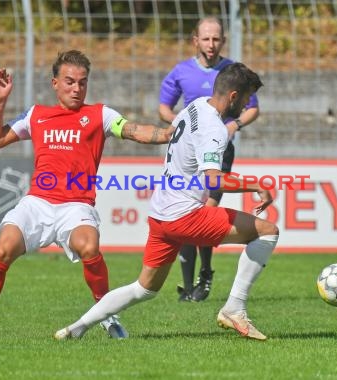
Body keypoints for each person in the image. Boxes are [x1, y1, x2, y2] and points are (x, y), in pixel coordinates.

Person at [0, 50, 174, 341]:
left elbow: (133, 130)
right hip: (37, 203)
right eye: (69, 82)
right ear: (55, 83)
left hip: (76, 205)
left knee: (89, 246)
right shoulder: (36, 115)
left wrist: (168, 133)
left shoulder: (99, 115)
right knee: (3, 249)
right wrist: (0, 101)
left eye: (82, 83)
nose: (76, 89)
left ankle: (107, 316)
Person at [54, 62, 279, 341]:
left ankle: (75, 329)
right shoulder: (214, 128)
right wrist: (257, 185)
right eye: (245, 99)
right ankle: (234, 309)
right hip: (184, 215)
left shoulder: (195, 106)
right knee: (268, 232)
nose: (246, 106)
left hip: (161, 214)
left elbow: (175, 135)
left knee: (144, 288)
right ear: (233, 96)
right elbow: (213, 180)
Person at [159, 16, 260, 302]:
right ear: (196, 41)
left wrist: (234, 125)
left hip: (220, 151)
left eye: (216, 39)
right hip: (191, 153)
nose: (211, 44)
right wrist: (181, 125)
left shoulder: (233, 73)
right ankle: (190, 285)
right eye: (206, 38)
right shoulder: (181, 72)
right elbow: (164, 108)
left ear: (222, 41)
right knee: (191, 210)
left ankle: (204, 275)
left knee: (206, 209)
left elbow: (253, 109)